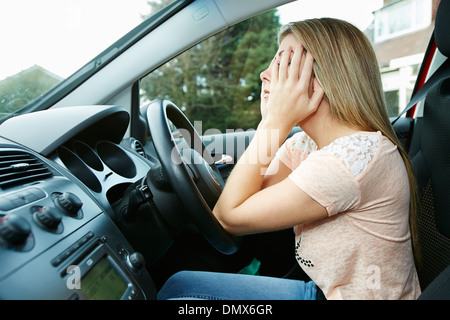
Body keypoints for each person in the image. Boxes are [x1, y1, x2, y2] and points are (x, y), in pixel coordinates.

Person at [157, 18, 421, 300]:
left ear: (322, 79)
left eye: (283, 65)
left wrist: (273, 123)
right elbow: (252, 196)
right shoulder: (306, 144)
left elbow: (228, 217)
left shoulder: (351, 159)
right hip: (324, 292)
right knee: (179, 286)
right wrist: (270, 122)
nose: (264, 74)